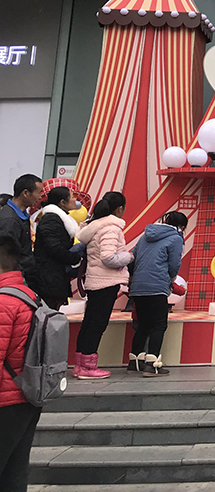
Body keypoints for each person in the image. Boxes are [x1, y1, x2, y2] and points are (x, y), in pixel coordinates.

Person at [0, 234, 42, 492]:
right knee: (14, 472)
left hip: (5, 400)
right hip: (26, 394)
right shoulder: (29, 295)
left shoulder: (3, 302)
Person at [75, 191, 131, 380]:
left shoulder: (94, 226)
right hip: (106, 282)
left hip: (94, 281)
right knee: (97, 324)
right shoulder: (111, 228)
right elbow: (108, 257)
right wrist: (129, 257)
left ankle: (80, 364)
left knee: (89, 322)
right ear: (119, 209)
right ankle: (88, 367)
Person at [128, 211, 185, 376]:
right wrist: (170, 278)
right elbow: (174, 264)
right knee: (159, 324)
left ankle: (135, 361)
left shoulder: (145, 236)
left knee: (143, 324)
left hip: (138, 286)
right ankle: (152, 364)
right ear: (182, 226)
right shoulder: (175, 238)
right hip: (157, 286)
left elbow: (133, 258)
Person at [30, 186, 82, 312]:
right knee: (48, 313)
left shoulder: (61, 218)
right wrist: (76, 258)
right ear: (62, 202)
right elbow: (53, 247)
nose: (75, 200)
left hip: (54, 275)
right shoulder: (51, 219)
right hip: (48, 276)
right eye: (72, 197)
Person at [0, 174, 43, 276]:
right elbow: (7, 256)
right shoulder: (10, 220)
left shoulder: (22, 215)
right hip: (15, 276)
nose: (40, 197)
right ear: (26, 193)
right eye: (39, 192)